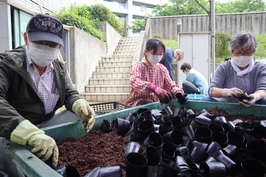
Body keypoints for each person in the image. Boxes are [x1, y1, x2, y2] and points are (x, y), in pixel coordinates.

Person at [0, 14, 96, 176]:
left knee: (81, 118)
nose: (45, 48)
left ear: (59, 46)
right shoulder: (7, 64)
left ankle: (60, 148)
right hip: (16, 128)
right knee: (17, 165)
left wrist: (78, 102)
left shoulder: (58, 67)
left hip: (46, 123)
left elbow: (69, 93)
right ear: (26, 38)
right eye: (39, 42)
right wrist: (30, 133)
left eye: (51, 44)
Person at [201, 31, 266, 106]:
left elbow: (263, 90)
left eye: (246, 53)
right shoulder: (224, 68)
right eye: (238, 53)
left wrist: (255, 96)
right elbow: (211, 90)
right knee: (205, 100)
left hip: (252, 106)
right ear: (232, 52)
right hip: (225, 105)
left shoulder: (261, 68)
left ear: (253, 52)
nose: (242, 56)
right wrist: (226, 92)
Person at [125, 38, 186, 107]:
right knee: (148, 103)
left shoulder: (162, 69)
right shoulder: (138, 66)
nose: (157, 57)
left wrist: (178, 93)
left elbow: (170, 84)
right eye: (154, 53)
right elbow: (134, 81)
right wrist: (153, 88)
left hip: (156, 104)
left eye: (160, 54)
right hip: (138, 103)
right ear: (145, 51)